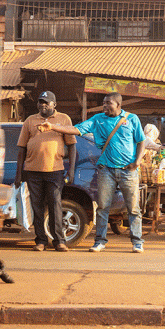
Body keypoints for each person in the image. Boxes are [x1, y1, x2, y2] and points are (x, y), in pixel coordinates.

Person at [55, 93, 146, 253]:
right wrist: (53, 127)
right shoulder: (98, 119)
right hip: (106, 170)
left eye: (108, 103)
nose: (104, 106)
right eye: (103, 103)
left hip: (128, 171)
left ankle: (137, 242)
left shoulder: (132, 119)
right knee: (103, 207)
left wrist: (137, 161)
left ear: (118, 104)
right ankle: (100, 241)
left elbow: (141, 141)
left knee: (133, 208)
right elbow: (75, 130)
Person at [16, 91, 77, 252]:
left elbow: (72, 145)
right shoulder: (30, 120)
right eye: (40, 102)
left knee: (55, 205)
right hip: (32, 170)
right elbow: (21, 148)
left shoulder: (64, 119)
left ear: (54, 105)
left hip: (54, 170)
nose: (43, 105)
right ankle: (40, 240)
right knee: (37, 207)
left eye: (47, 103)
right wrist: (18, 174)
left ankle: (59, 240)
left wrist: (71, 170)